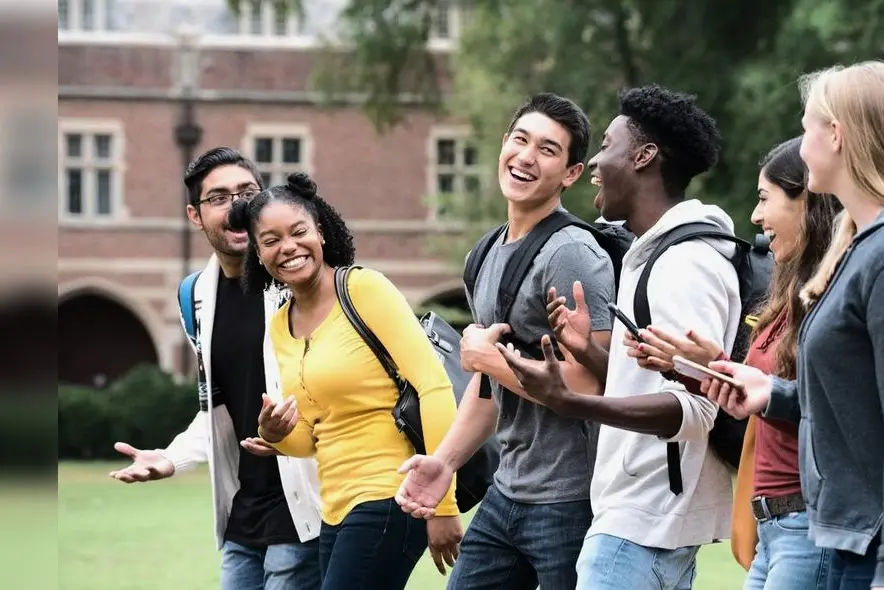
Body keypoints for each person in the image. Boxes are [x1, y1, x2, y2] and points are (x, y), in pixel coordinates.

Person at [701, 61, 884, 590]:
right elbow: (858, 405)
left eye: (807, 123)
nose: (801, 137)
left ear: (835, 134)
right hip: (849, 544)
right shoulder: (863, 246)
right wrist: (771, 394)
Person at [497, 85, 743, 590]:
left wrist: (570, 401)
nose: (593, 164)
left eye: (606, 146)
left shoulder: (684, 263)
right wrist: (589, 351)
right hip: (636, 520)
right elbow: (663, 386)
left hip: (642, 525)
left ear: (644, 156)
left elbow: (697, 410)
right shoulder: (650, 255)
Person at [395, 93, 617, 590]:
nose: (526, 157)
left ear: (571, 173)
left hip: (570, 499)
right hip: (507, 492)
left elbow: (590, 386)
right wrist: (444, 463)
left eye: (547, 149)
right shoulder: (484, 254)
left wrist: (490, 361)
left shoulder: (573, 254)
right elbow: (486, 391)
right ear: (503, 145)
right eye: (520, 140)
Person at [227, 172, 463, 590]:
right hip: (334, 509)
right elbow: (311, 436)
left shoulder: (363, 288)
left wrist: (443, 503)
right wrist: (276, 434)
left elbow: (434, 387)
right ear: (258, 254)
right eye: (271, 240)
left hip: (394, 493)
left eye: (298, 231)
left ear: (320, 232)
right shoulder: (281, 325)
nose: (289, 247)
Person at [626, 136, 842, 588]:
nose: (756, 217)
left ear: (807, 200)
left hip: (808, 524)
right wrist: (702, 366)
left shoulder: (835, 296)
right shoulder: (788, 298)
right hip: (773, 528)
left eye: (765, 199)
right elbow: (763, 397)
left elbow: (836, 405)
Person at [108, 147, 323, 590]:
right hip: (242, 514)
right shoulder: (195, 298)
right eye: (220, 198)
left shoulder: (298, 282)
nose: (238, 206)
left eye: (248, 192)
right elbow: (218, 411)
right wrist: (170, 459)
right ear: (195, 215)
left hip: (305, 507)